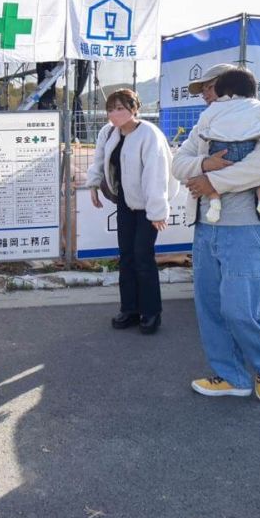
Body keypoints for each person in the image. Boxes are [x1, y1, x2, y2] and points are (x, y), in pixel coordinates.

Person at [173, 65, 260, 403]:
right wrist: (203, 166)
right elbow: (178, 162)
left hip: (245, 229)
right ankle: (231, 376)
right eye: (202, 91)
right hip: (205, 228)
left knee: (243, 309)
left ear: (228, 88)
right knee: (210, 308)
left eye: (209, 87)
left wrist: (214, 181)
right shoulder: (206, 122)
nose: (205, 95)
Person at [85, 88, 172, 335]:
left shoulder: (149, 134)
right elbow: (98, 159)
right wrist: (93, 184)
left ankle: (151, 312)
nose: (114, 114)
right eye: (111, 109)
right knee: (126, 255)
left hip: (147, 205)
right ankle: (130, 309)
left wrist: (157, 212)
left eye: (120, 108)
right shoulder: (109, 132)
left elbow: (156, 175)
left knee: (143, 256)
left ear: (135, 109)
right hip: (124, 200)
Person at [196, 71, 260, 224]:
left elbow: (202, 127)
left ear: (221, 90)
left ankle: (214, 203)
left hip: (220, 148)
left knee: (211, 175)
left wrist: (205, 153)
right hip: (248, 146)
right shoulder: (258, 105)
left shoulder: (213, 109)